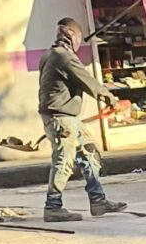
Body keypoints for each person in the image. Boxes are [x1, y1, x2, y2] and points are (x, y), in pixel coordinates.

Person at [37, 18, 126, 222]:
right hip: (61, 119)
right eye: (78, 37)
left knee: (88, 155)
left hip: (65, 117)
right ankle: (53, 207)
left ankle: (98, 201)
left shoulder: (49, 54)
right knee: (64, 162)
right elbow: (89, 82)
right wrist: (112, 100)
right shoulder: (64, 57)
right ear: (71, 36)